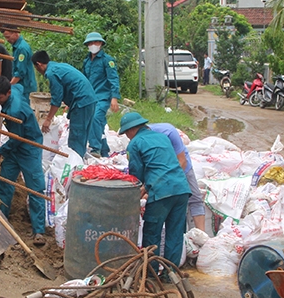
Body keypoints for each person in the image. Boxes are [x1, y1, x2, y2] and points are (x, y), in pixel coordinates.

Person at [119, 112, 191, 269]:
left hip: (162, 193)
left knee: (152, 233)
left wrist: (134, 196)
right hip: (182, 189)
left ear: (131, 130)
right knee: (175, 234)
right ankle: (170, 274)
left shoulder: (135, 143)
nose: (127, 137)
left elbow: (136, 175)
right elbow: (165, 165)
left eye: (126, 133)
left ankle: (149, 273)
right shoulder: (162, 138)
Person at [0, 76, 46, 246]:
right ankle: (0, 220)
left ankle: (39, 231)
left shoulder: (15, 110)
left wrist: (1, 151)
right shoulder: (15, 91)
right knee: (5, 181)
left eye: (0, 98)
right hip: (15, 147)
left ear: (8, 92)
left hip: (28, 147)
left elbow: (17, 138)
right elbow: (20, 85)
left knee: (35, 188)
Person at [32, 50, 96, 159]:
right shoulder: (59, 67)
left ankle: (73, 165)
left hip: (81, 101)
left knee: (76, 137)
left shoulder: (51, 73)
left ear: (39, 64)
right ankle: (78, 161)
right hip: (89, 99)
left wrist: (48, 119)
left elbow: (56, 99)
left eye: (36, 68)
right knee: (82, 135)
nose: (38, 71)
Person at [148, 123, 206, 232]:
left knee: (195, 199)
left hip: (181, 167)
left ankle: (202, 235)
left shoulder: (167, 131)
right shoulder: (139, 141)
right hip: (161, 171)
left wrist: (174, 182)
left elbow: (182, 161)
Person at [82, 32, 121, 158]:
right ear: (87, 45)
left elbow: (113, 79)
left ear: (101, 44)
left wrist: (114, 97)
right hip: (90, 97)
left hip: (103, 97)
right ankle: (104, 150)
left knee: (94, 118)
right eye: (91, 43)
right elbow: (84, 81)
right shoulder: (87, 61)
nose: (93, 45)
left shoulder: (107, 60)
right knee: (99, 123)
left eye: (96, 42)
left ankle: (95, 148)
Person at [2, 27, 37, 95]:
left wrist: (9, 86)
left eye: (8, 37)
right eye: (5, 37)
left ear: (15, 33)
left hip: (25, 87)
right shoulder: (17, 47)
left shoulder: (22, 49)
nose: (7, 40)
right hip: (22, 86)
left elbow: (20, 72)